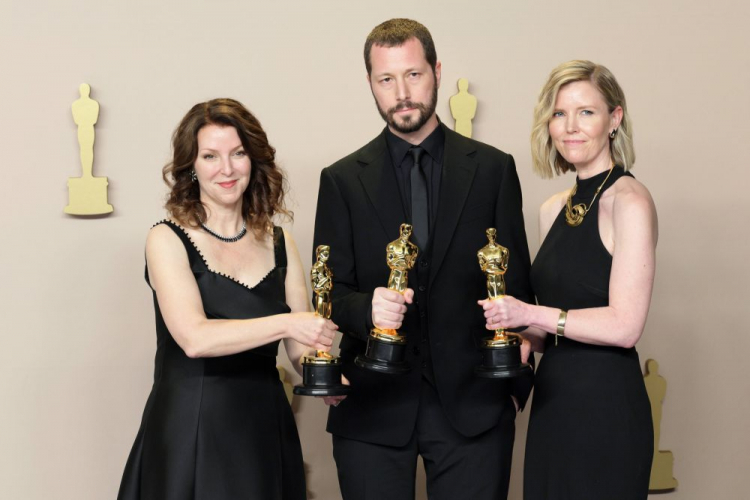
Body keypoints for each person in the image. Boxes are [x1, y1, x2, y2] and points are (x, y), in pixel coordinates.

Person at [312, 19, 534, 500]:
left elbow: (516, 284)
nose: (401, 93)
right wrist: (368, 307)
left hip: (474, 407)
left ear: (436, 70)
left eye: (413, 75)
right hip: (370, 404)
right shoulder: (341, 180)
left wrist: (515, 386)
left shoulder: (494, 169)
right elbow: (329, 292)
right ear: (370, 83)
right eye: (386, 80)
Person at [117, 98, 337, 500]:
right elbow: (194, 338)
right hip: (190, 425)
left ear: (254, 160)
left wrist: (324, 375)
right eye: (210, 156)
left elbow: (298, 348)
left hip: (265, 427)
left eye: (238, 154)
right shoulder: (166, 238)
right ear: (191, 166)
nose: (227, 169)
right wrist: (288, 322)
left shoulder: (281, 241)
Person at [483, 60, 656, 499]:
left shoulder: (630, 201)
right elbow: (551, 326)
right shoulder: (553, 208)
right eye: (559, 114)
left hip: (608, 407)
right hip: (553, 402)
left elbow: (625, 325)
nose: (570, 127)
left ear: (614, 119)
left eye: (586, 112)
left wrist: (530, 312)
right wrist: (520, 334)